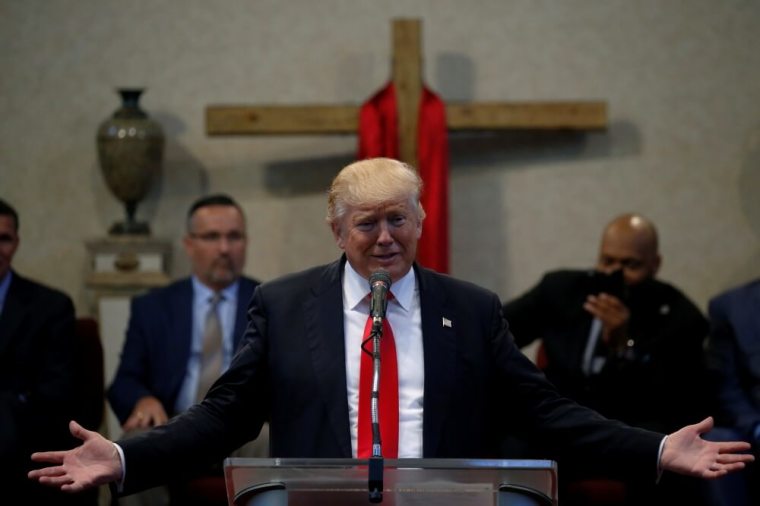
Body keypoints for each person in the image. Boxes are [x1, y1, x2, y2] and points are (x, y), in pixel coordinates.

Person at [28, 159, 752, 501]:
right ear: (337, 230)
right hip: (315, 502)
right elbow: (224, 417)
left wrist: (656, 449)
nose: (384, 238)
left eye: (398, 219)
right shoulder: (283, 305)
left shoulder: (468, 308)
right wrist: (123, 459)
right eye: (366, 223)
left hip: (445, 501)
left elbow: (546, 411)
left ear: (420, 223)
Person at [501, 213, 712, 503]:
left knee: (665, 453)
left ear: (655, 264)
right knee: (511, 441)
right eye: (608, 261)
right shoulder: (562, 290)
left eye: (630, 265)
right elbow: (496, 333)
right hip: (563, 424)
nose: (615, 273)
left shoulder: (679, 316)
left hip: (631, 426)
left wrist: (625, 345)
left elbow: (678, 399)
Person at [106, 194, 267, 505]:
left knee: (273, 443)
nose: (224, 248)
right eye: (211, 237)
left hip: (240, 429)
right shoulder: (153, 307)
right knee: (131, 446)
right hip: (172, 425)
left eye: (233, 237)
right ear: (189, 244)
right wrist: (143, 399)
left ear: (245, 243)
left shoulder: (269, 301)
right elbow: (124, 380)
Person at [0, 199, 96, 505]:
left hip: (22, 436)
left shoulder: (50, 307)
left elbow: (58, 389)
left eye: (3, 238)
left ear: (16, 243)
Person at [702, 278, 760, 505]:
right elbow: (725, 385)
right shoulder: (732, 306)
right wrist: (756, 427)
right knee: (719, 442)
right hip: (754, 425)